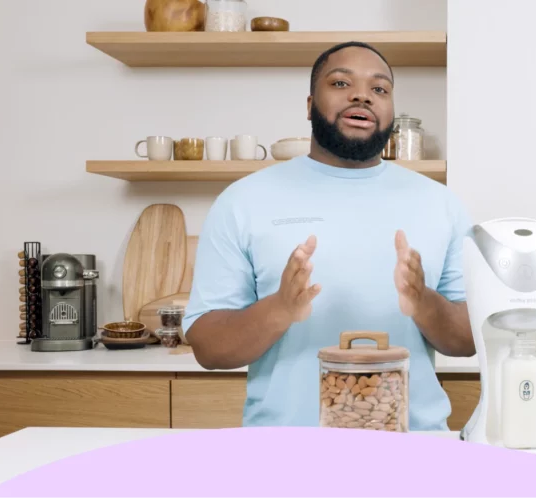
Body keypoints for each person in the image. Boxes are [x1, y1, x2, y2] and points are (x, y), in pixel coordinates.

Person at [181, 41, 475, 431]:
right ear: (309, 105)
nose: (361, 95)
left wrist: (424, 302)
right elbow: (207, 347)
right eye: (340, 83)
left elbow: (467, 340)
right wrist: (280, 308)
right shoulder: (242, 201)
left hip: (413, 448)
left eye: (380, 89)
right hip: (285, 453)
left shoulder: (441, 204)